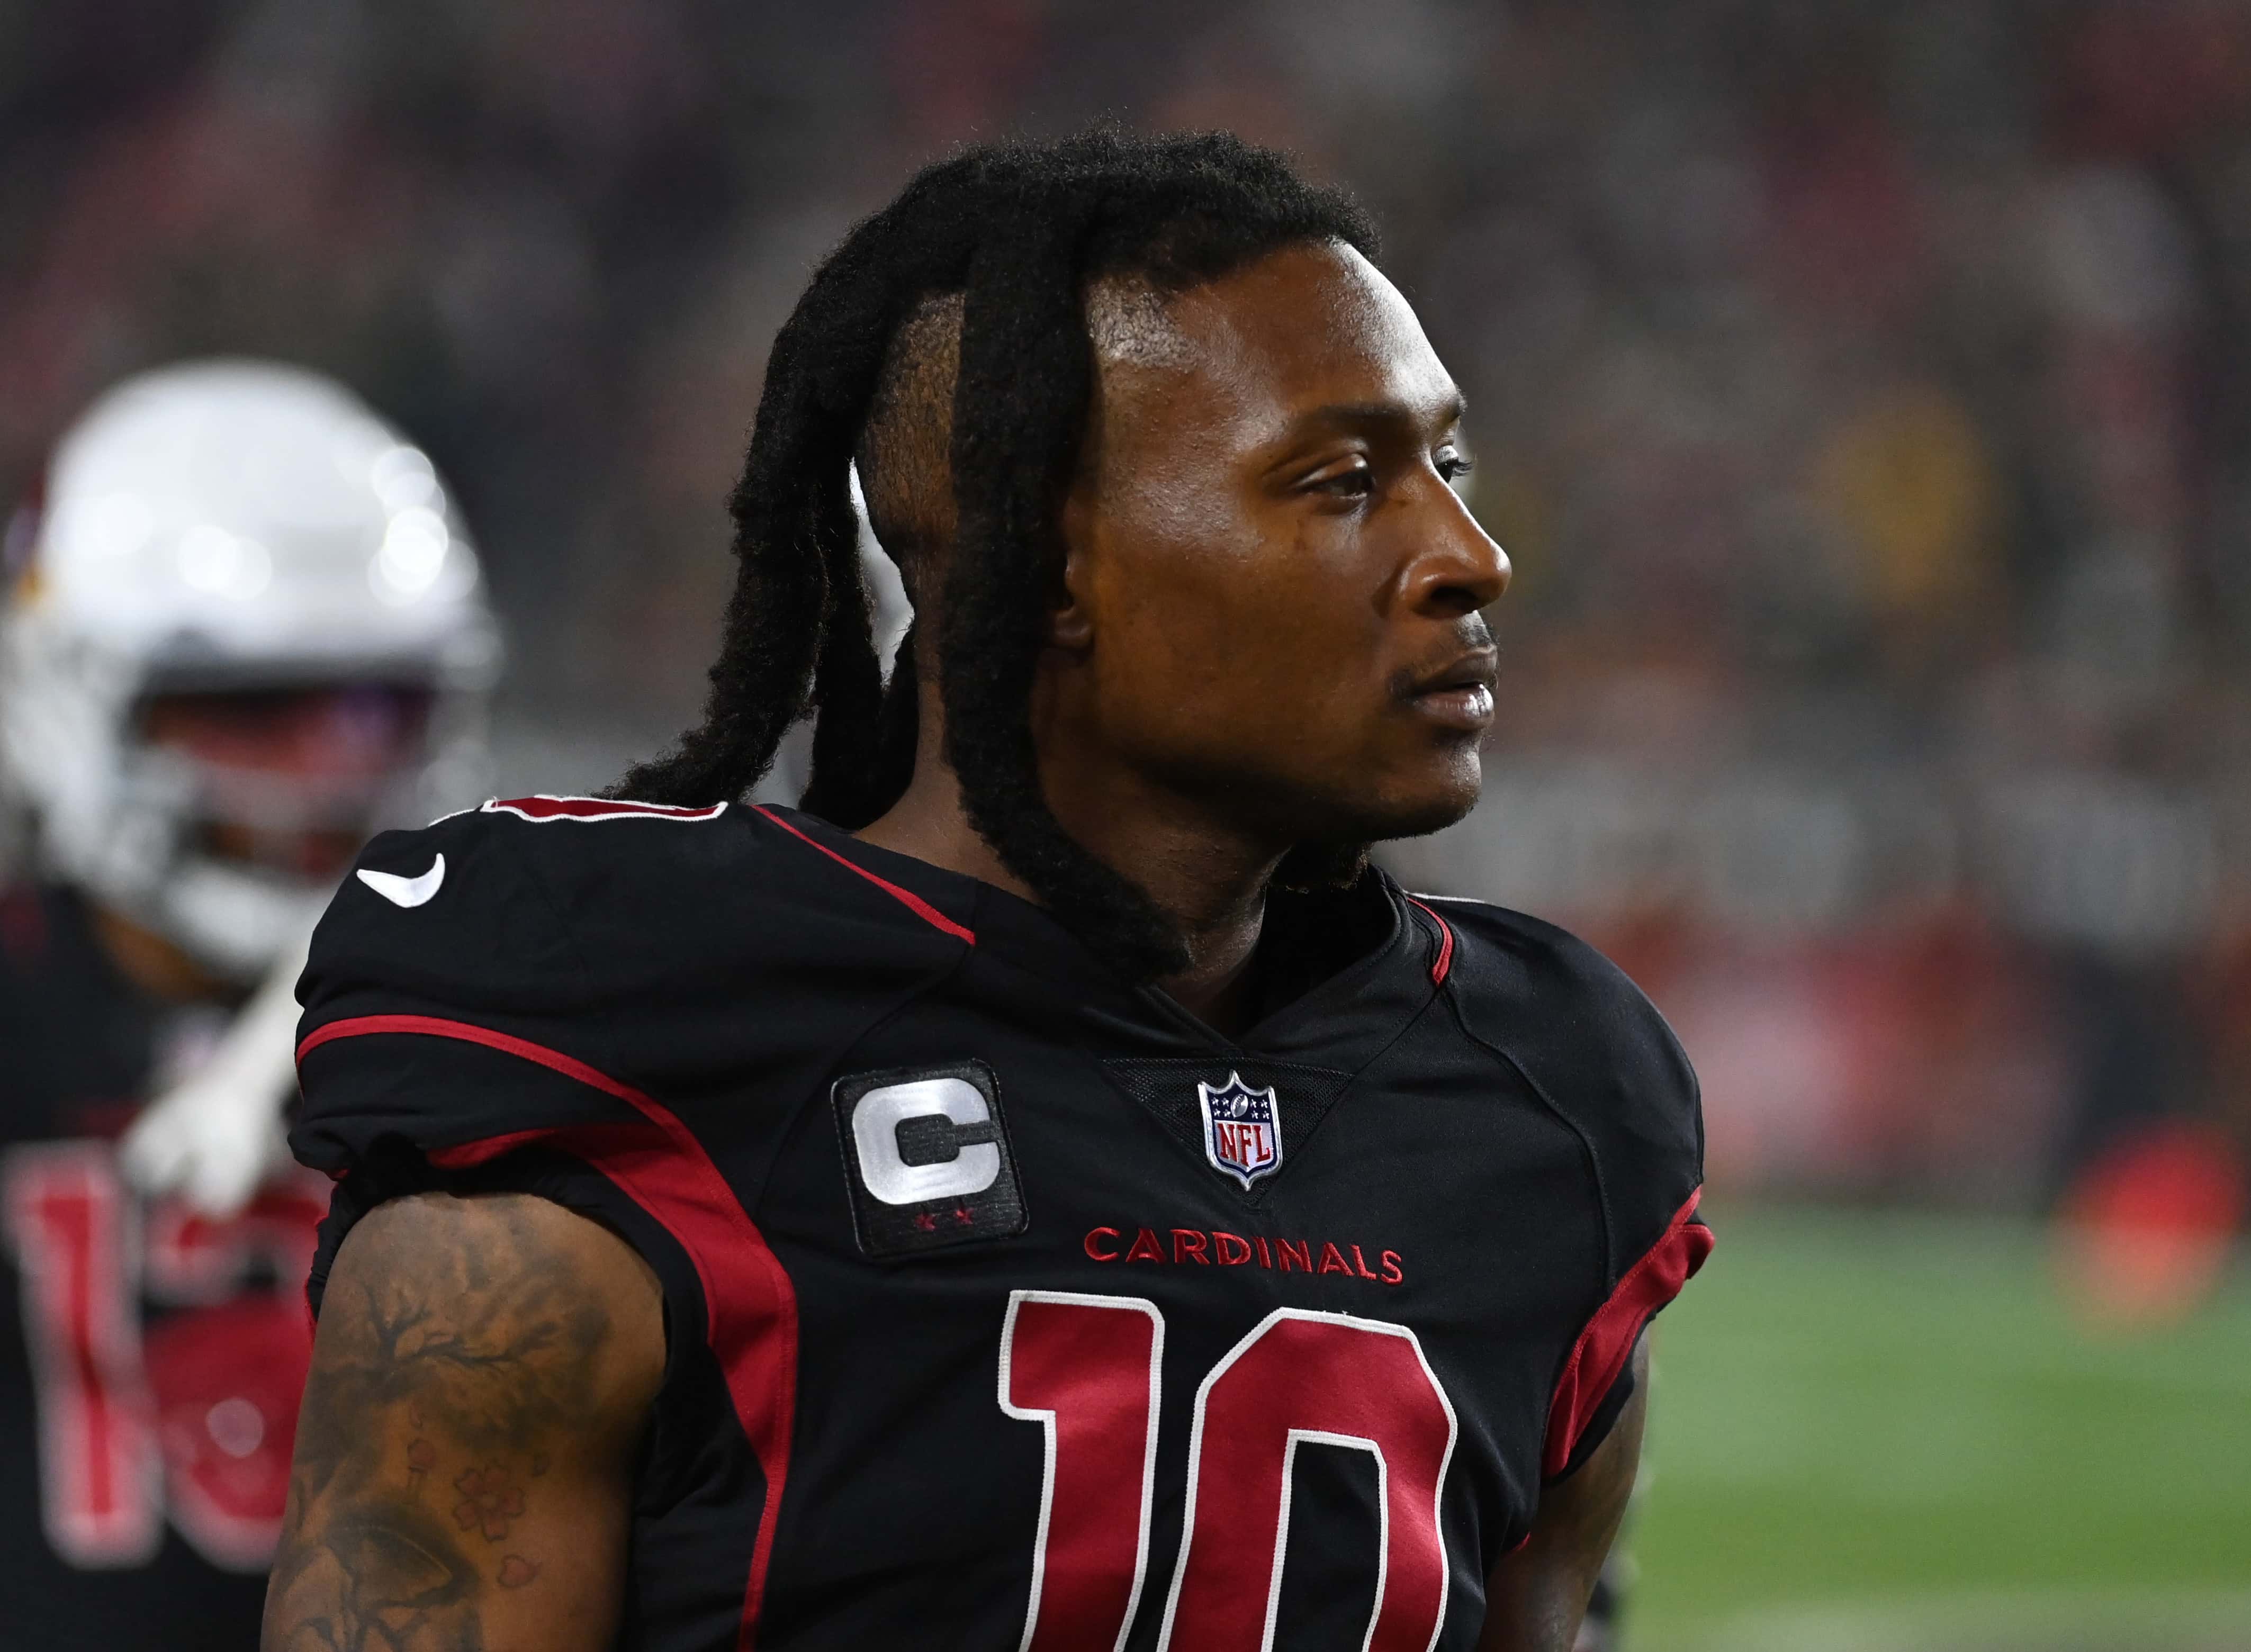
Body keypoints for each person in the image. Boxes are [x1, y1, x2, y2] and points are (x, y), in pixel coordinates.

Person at [268, 130, 1709, 1652]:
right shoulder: (652, 1044)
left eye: (1447, 469)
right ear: (1046, 562)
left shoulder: (1543, 1097)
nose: (1471, 557)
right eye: (1343, 482)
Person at [0, 360, 496, 1651]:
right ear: (72, 698)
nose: (336, 764)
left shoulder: (513, 1011)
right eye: (252, 707)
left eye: (384, 702)